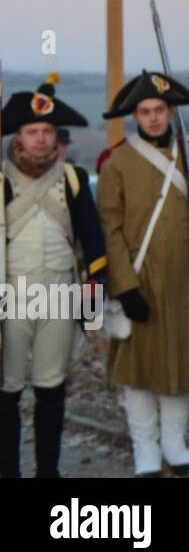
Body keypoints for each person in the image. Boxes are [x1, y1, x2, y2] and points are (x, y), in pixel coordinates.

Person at [97, 70, 189, 476]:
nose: (152, 117)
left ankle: (173, 445)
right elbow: (109, 228)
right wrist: (125, 286)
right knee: (138, 371)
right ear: (135, 114)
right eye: (144, 111)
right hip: (139, 279)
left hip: (185, 280)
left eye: (159, 109)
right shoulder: (116, 162)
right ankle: (145, 450)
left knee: (181, 364)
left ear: (170, 110)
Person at [1, 78, 106, 478]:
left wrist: (92, 313)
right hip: (9, 296)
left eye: (46, 131)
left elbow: (93, 243)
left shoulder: (73, 178)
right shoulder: (3, 179)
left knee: (50, 389)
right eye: (32, 131)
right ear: (19, 136)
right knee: (6, 392)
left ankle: (49, 472)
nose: (41, 139)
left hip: (60, 296)